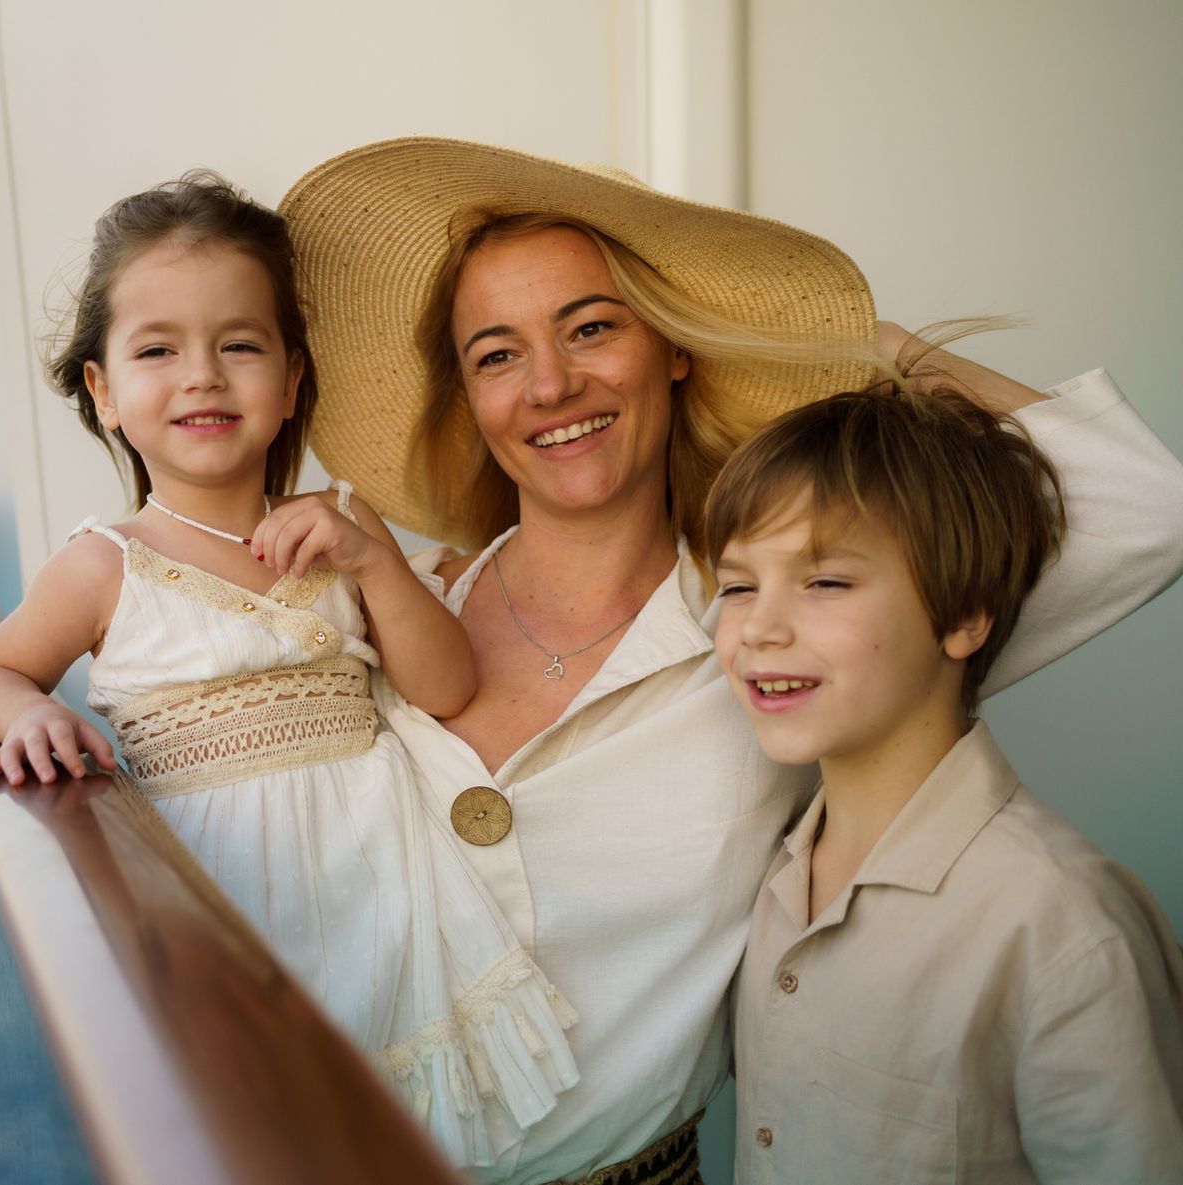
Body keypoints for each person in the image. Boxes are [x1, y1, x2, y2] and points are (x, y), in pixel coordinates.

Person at [279, 136, 1183, 1184]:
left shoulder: (778, 632)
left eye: (592, 327)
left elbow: (1144, 511)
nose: (551, 384)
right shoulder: (389, 600)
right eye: (497, 355)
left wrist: (858, 345)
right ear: (471, 402)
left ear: (672, 344)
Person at [0, 172, 580, 1168]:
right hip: (226, 894)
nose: (201, 375)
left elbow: (448, 685)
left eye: (238, 345)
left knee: (400, 1135)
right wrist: (28, 715)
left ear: (291, 382)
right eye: (158, 350)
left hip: (380, 891)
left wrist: (371, 558)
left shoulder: (345, 523)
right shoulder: (105, 564)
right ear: (104, 392)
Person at [705, 384, 1183, 1183]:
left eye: (826, 581)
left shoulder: (1060, 922)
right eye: (737, 585)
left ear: (967, 613)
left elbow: (1152, 504)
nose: (758, 626)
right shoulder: (773, 873)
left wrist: (892, 353)